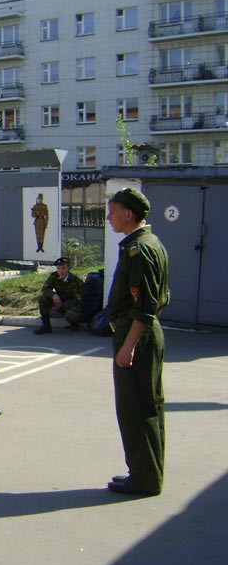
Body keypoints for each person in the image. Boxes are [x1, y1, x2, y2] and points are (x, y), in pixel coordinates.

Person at [105, 187, 169, 496]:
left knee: (135, 410)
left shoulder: (139, 250)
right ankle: (147, 473)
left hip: (136, 335)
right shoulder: (150, 243)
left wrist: (128, 346)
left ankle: (143, 479)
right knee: (148, 406)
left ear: (128, 214)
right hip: (144, 333)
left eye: (112, 212)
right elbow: (156, 301)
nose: (109, 217)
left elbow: (144, 306)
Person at [35, 256, 84, 334]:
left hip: (72, 304)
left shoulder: (75, 280)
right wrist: (53, 295)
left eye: (63, 268)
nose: (61, 271)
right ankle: (46, 326)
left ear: (68, 268)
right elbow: (45, 289)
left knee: (71, 315)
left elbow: (78, 298)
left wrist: (60, 306)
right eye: (59, 268)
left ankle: (75, 325)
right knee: (42, 298)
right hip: (59, 300)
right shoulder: (54, 276)